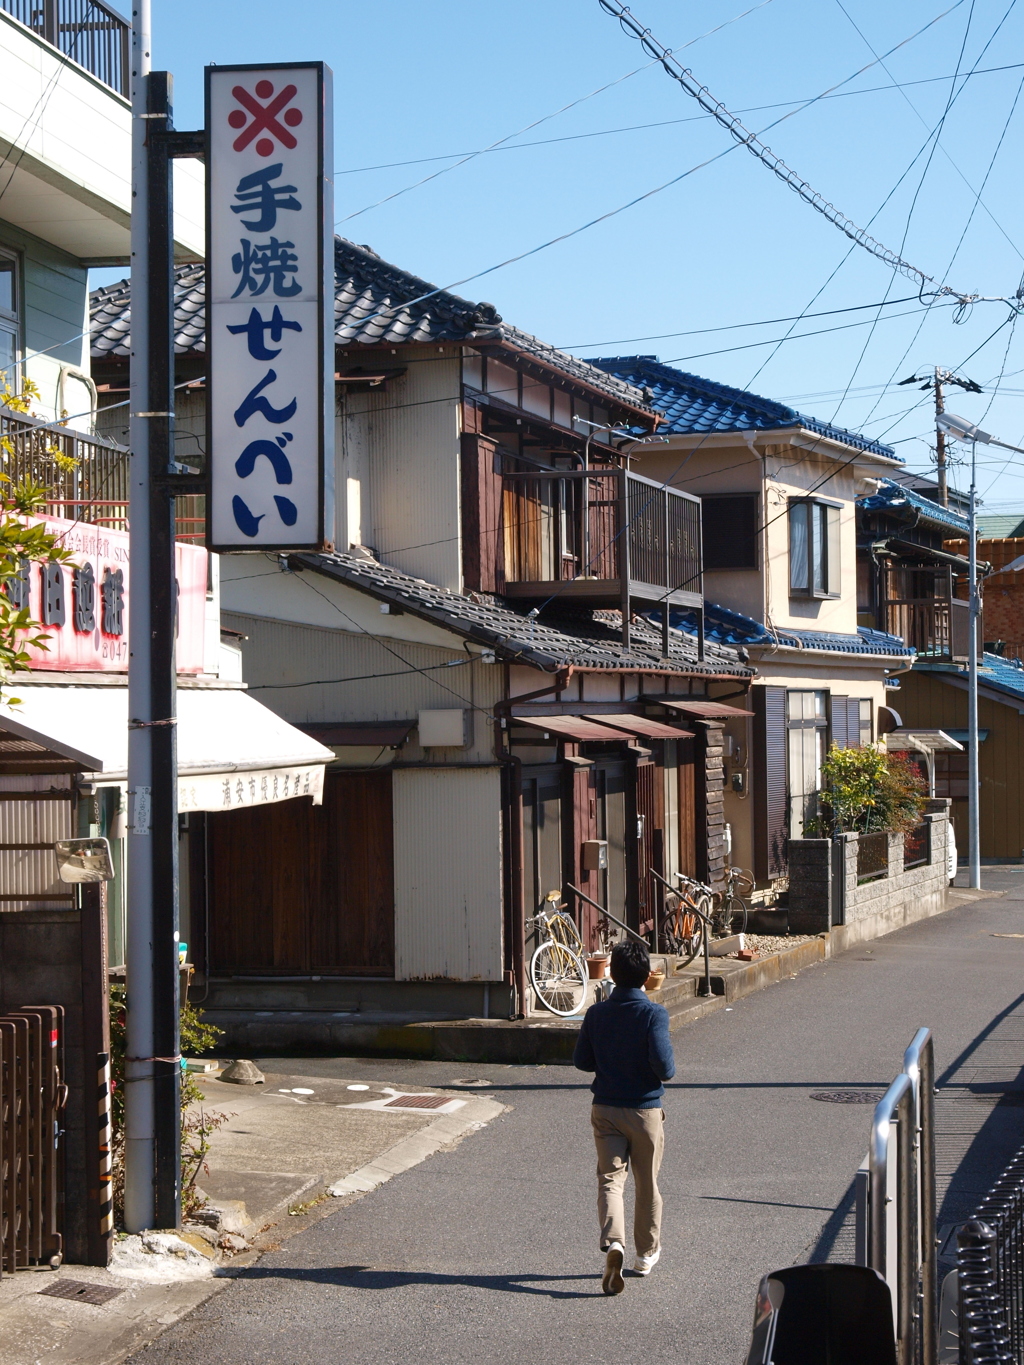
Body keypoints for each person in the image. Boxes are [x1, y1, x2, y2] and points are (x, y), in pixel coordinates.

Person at [573, 938, 675, 1296]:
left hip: (605, 1109)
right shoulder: (653, 1014)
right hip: (645, 1109)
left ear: (612, 974)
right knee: (646, 1182)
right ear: (647, 976)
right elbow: (666, 1068)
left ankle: (613, 1243)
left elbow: (582, 1062)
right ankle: (645, 1254)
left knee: (610, 1180)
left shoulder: (597, 1014)